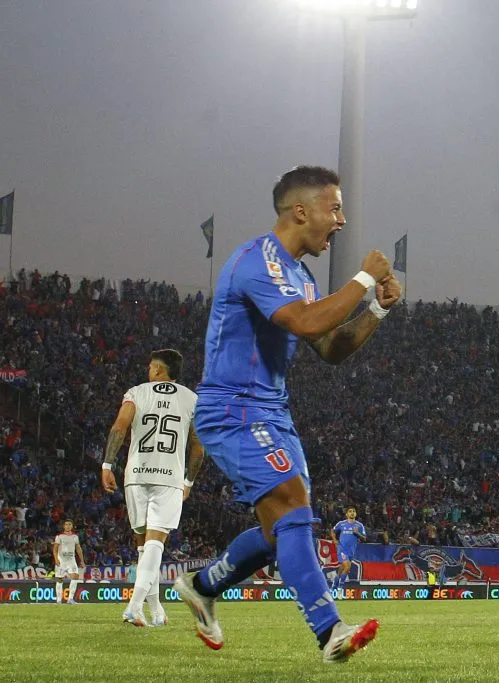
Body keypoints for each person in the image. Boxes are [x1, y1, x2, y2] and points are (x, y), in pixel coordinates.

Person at [173, 165, 400, 664]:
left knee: (282, 527)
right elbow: (303, 321)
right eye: (334, 208)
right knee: (293, 504)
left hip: (271, 412)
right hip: (231, 408)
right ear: (301, 211)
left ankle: (203, 585)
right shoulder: (257, 260)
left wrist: (378, 310)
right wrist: (364, 277)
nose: (341, 220)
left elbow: (330, 347)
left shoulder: (301, 276)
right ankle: (330, 630)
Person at [101, 348, 204, 627]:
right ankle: (134, 607)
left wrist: (107, 465)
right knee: (156, 543)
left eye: (150, 366)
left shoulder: (136, 393)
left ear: (159, 370)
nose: (148, 370)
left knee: (143, 548)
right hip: (169, 477)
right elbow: (198, 447)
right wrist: (188, 482)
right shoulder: (191, 399)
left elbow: (119, 427)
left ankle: (156, 609)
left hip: (136, 474)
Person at [330, 507, 366, 587]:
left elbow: (364, 538)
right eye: (350, 511)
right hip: (342, 549)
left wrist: (358, 533)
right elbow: (332, 531)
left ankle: (335, 583)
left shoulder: (359, 525)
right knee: (347, 566)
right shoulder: (341, 524)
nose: (352, 513)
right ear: (346, 514)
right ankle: (340, 587)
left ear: (356, 514)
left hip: (351, 551)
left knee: (343, 567)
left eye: (354, 511)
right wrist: (335, 540)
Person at [53, 520, 85, 604]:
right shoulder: (59, 536)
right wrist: (56, 559)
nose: (68, 526)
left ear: (72, 526)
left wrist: (82, 560)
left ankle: (70, 599)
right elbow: (55, 549)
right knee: (59, 579)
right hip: (61, 560)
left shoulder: (75, 537)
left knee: (75, 576)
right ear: (64, 526)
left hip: (71, 560)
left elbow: (78, 549)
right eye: (66, 524)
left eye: (69, 524)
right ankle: (58, 600)